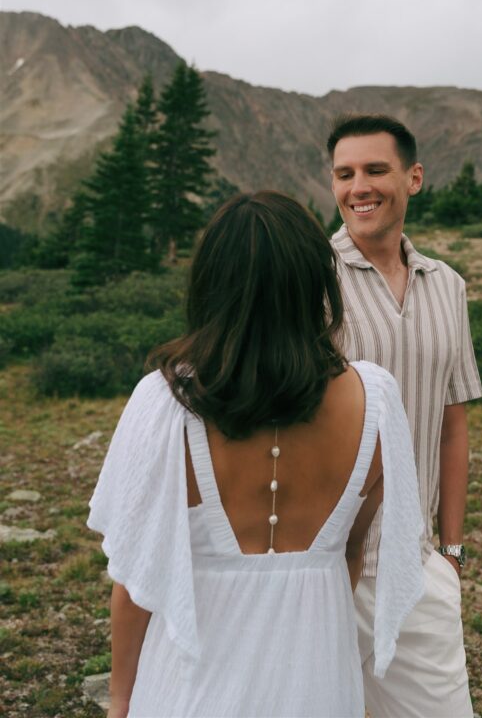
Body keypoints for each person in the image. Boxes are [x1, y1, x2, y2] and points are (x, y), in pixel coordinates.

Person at [87, 191, 425, 718]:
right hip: (318, 683)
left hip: (188, 691)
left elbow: (134, 583)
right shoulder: (376, 400)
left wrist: (121, 699)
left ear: (210, 285)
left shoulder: (165, 402)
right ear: (316, 282)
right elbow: (350, 554)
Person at [327, 114, 482, 718]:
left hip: (414, 566)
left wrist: (452, 549)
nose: (358, 186)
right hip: (322, 565)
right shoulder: (311, 278)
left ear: (413, 178)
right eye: (344, 174)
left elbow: (452, 423)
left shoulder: (449, 285)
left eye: (375, 170)